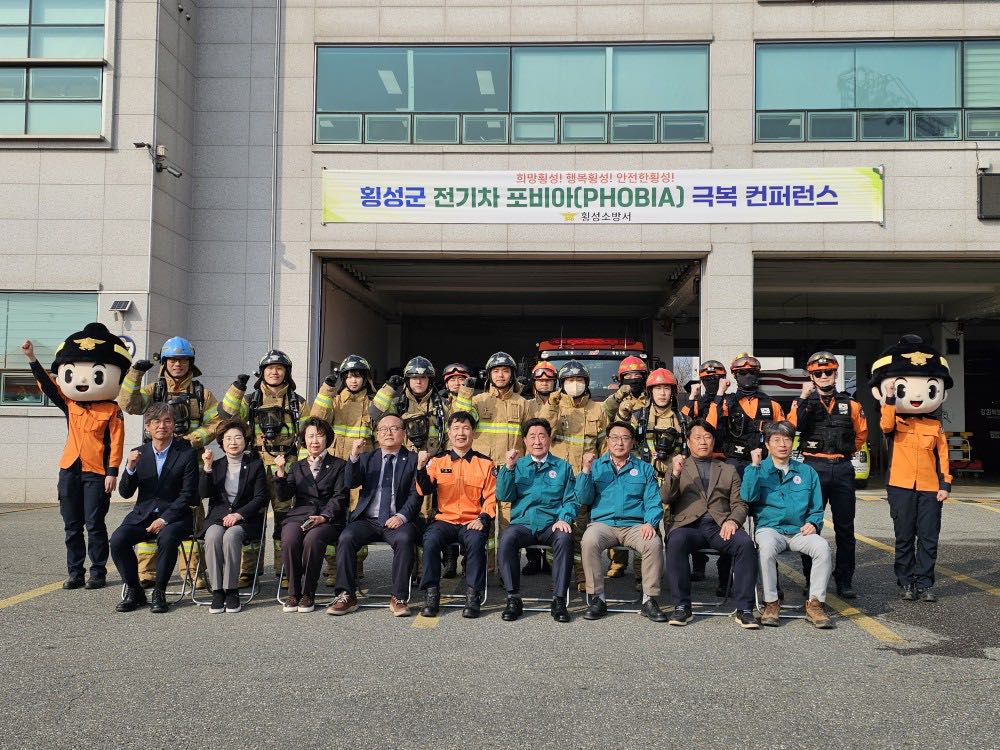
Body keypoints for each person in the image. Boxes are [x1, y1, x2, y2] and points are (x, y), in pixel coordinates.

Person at [22, 327, 129, 591]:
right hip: (69, 469)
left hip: (97, 473)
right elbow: (49, 386)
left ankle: (98, 572)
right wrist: (32, 359)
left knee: (94, 524)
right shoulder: (70, 405)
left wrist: (112, 472)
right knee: (71, 525)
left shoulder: (111, 409)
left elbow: (116, 443)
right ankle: (75, 572)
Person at [118, 336, 221, 588]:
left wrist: (190, 440)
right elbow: (128, 404)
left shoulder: (202, 394)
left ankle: (192, 572)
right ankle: (147, 572)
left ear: (190, 363)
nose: (178, 364)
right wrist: (135, 374)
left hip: (190, 461)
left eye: (183, 360)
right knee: (149, 509)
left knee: (193, 514)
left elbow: (216, 423)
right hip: (157, 461)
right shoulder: (154, 391)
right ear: (164, 362)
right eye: (173, 360)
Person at [869, 334, 953, 602]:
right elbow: (884, 424)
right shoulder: (895, 422)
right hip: (901, 487)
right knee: (904, 537)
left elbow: (943, 456)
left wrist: (945, 485)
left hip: (930, 489)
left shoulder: (934, 426)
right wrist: (890, 397)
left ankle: (925, 584)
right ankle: (905, 582)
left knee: (928, 539)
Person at [218, 350, 307, 584]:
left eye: (279, 368)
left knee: (284, 521)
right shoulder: (250, 400)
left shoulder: (298, 403)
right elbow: (226, 416)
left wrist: (300, 471)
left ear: (287, 372)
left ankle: (285, 570)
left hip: (285, 469)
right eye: (269, 368)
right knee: (252, 518)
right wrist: (237, 388)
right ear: (262, 372)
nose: (274, 372)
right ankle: (248, 571)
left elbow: (307, 438)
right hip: (255, 469)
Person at [661, 419, 758, 629]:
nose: (703, 442)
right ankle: (682, 606)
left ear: (713, 441)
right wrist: (675, 473)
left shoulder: (728, 469)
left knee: (745, 544)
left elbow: (740, 503)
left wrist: (733, 520)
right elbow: (666, 497)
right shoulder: (678, 466)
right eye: (697, 437)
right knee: (675, 541)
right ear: (688, 442)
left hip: (719, 527)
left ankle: (745, 609)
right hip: (689, 527)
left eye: (707, 437)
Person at [788, 351, 868, 599]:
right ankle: (811, 579)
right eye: (818, 373)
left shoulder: (851, 404)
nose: (824, 376)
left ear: (835, 373)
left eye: (828, 372)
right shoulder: (803, 403)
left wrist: (845, 452)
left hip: (842, 468)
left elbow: (861, 434)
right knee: (810, 527)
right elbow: (791, 428)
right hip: (812, 468)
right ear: (811, 377)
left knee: (845, 528)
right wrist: (803, 398)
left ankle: (844, 580)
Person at [328, 413, 422, 617]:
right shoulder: (367, 458)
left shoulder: (413, 459)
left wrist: (402, 516)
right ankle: (346, 595)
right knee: (346, 537)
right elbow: (350, 482)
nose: (388, 433)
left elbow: (416, 495)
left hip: (398, 519)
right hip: (368, 519)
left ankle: (399, 597)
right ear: (377, 435)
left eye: (394, 428)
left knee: (405, 539)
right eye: (383, 429)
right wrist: (354, 456)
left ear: (403, 433)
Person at [741, 421, 833, 629]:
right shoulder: (756, 469)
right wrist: (754, 466)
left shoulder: (807, 472)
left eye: (787, 439)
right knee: (765, 549)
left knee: (823, 548)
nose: (782, 444)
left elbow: (817, 507)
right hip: (770, 529)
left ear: (793, 443)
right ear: (767, 444)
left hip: (799, 531)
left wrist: (813, 522)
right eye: (776, 440)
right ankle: (771, 603)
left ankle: (815, 604)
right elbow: (747, 497)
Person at [110, 404, 199, 614]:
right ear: (147, 427)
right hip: (143, 516)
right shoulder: (139, 453)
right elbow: (125, 493)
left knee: (167, 538)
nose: (162, 426)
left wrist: (164, 519)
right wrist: (130, 467)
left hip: (176, 517)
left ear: (174, 425)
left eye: (167, 421)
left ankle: (159, 591)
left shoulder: (186, 454)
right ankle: (135, 591)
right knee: (118, 540)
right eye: (156, 421)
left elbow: (187, 494)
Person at [576, 422, 667, 622]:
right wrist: (585, 471)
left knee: (653, 543)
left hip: (635, 525)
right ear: (607, 441)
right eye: (615, 438)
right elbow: (583, 498)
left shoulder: (644, 468)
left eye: (625, 438)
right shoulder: (596, 467)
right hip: (603, 524)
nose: (619, 443)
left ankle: (649, 599)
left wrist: (650, 523)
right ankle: (597, 598)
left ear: (632, 442)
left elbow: (653, 501)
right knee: (589, 541)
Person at [495, 418, 578, 623]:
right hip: (524, 523)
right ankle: (513, 598)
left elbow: (571, 499)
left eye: (542, 436)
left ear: (549, 439)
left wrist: (564, 518)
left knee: (565, 538)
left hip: (552, 524)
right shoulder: (518, 465)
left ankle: (559, 600)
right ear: (525, 441)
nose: (537, 441)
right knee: (507, 538)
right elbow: (503, 495)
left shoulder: (563, 467)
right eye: (532, 436)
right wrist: (508, 468)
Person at [415, 412, 497, 618]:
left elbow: (491, 497)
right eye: (456, 429)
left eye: (466, 428)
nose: (461, 433)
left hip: (472, 521)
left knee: (476, 542)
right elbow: (424, 489)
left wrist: (483, 518)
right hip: (445, 519)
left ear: (473, 433)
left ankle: (473, 595)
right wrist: (420, 468)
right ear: (449, 434)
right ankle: (431, 593)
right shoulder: (437, 461)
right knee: (430, 540)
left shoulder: (485, 463)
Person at [538, 360, 608, 592]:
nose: (575, 384)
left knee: (579, 532)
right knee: (556, 529)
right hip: (556, 482)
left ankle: (581, 577)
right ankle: (558, 577)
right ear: (562, 384)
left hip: (583, 481)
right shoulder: (553, 406)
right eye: (569, 380)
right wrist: (552, 404)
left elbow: (604, 447)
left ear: (586, 383)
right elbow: (543, 431)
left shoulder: (597, 409)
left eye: (579, 380)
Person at [454, 351, 528, 572]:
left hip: (511, 472)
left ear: (512, 374)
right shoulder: (477, 400)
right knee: (481, 521)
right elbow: (459, 419)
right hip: (482, 471)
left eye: (505, 371)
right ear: (489, 375)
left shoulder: (522, 403)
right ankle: (483, 568)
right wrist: (466, 391)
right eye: (496, 371)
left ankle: (507, 570)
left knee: (508, 524)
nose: (501, 375)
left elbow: (531, 436)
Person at [310, 354, 376, 586]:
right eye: (348, 376)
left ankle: (355, 565)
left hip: (362, 469)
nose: (353, 380)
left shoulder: (373, 403)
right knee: (334, 514)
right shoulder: (335, 401)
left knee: (358, 515)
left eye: (357, 375)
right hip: (335, 468)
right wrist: (327, 389)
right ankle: (332, 567)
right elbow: (316, 420)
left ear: (365, 378)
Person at [616, 367, 685, 590]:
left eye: (666, 388)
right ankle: (642, 577)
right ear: (650, 391)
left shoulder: (682, 420)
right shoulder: (639, 417)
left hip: (672, 484)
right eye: (658, 388)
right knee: (645, 529)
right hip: (645, 483)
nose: (662, 393)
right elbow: (621, 441)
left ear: (673, 392)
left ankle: (674, 576)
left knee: (673, 532)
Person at [272, 417, 348, 613]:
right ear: (304, 440)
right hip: (299, 516)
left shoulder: (339, 465)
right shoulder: (297, 466)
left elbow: (340, 496)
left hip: (327, 518)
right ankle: (293, 592)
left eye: (319, 436)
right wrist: (280, 472)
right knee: (289, 539)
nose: (315, 441)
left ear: (327, 439)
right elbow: (284, 495)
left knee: (313, 539)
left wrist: (324, 517)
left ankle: (308, 593)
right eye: (310, 436)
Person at [199, 419, 267, 614]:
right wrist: (207, 468)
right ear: (222, 442)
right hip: (218, 517)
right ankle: (217, 591)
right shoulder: (216, 465)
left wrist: (239, 514)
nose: (233, 442)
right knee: (212, 536)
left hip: (246, 520)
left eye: (238, 437)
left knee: (231, 536)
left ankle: (231, 590)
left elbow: (261, 497)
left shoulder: (255, 465)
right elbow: (203, 493)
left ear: (245, 440)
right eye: (228, 438)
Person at [599, 355, 649, 579]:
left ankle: (641, 570)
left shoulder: (651, 397)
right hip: (619, 460)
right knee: (618, 507)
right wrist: (619, 396)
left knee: (639, 511)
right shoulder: (615, 400)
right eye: (628, 376)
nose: (633, 379)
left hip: (643, 459)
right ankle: (617, 562)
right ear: (621, 379)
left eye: (638, 375)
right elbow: (606, 414)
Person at [717, 353, 784, 475]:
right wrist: (720, 392)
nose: (747, 376)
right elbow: (713, 426)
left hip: (764, 463)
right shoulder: (726, 402)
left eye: (752, 372)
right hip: (734, 463)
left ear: (757, 374)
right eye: (742, 373)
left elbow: (783, 435)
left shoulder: (772, 404)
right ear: (734, 375)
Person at [520, 360, 558, 575]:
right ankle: (534, 559)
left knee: (551, 510)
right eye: (540, 380)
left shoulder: (562, 403)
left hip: (555, 463)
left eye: (549, 380)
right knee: (531, 506)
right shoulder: (527, 405)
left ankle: (552, 562)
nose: (544, 383)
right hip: (531, 462)